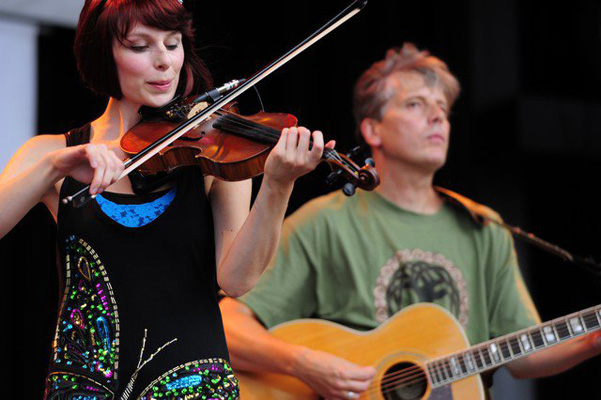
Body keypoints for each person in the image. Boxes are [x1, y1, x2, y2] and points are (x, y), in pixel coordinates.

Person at [220, 43, 601, 399]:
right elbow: (228, 324)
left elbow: (525, 357)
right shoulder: (324, 223)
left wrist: (592, 339)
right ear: (372, 129)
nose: (438, 117)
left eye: (443, 108)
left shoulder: (484, 226)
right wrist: (303, 363)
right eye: (416, 104)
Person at [0, 0, 334, 398]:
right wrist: (55, 166)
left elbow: (236, 280)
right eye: (140, 46)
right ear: (102, 54)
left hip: (193, 386)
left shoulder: (214, 149)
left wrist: (278, 185)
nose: (164, 62)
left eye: (173, 44)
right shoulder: (52, 153)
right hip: (85, 387)